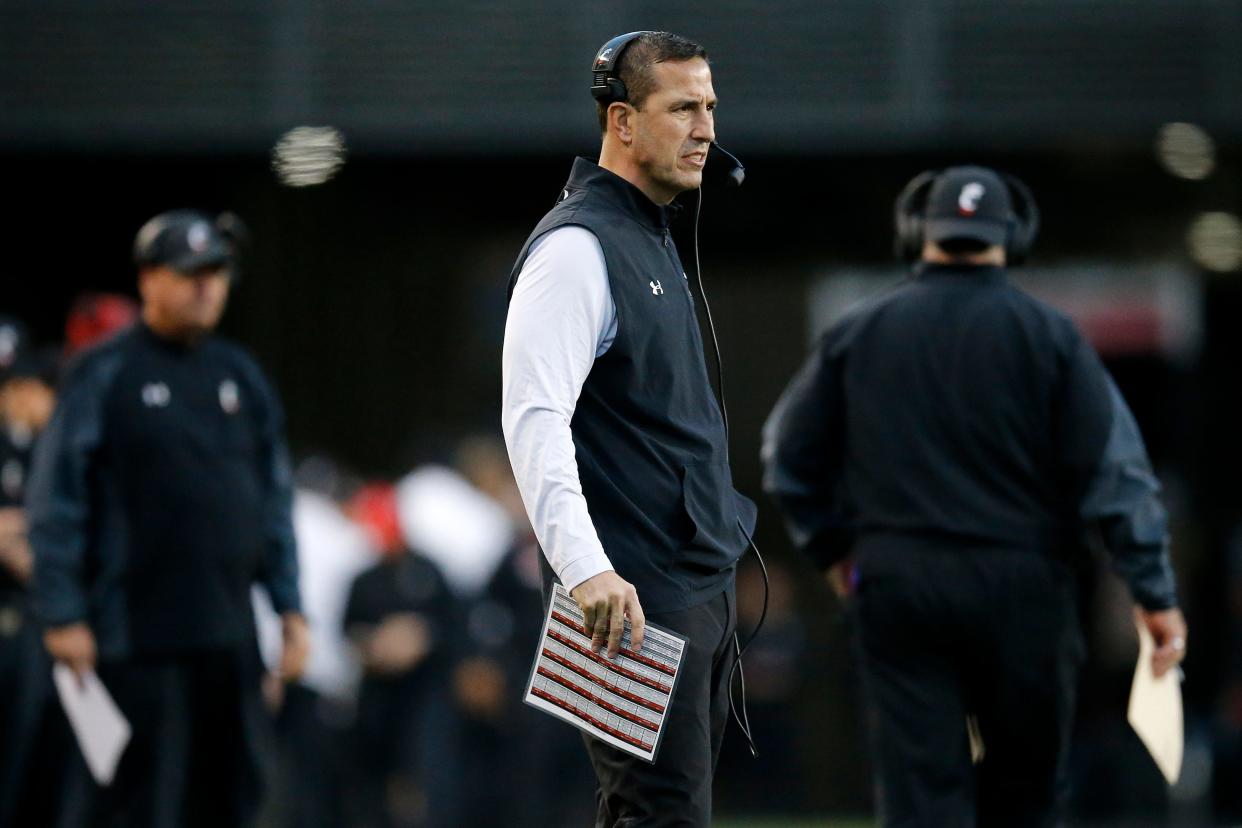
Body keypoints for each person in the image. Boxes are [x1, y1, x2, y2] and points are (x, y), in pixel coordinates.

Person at [762, 165, 1188, 828]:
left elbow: (788, 456)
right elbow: (1118, 476)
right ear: (1012, 235)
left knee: (919, 798)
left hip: (901, 582)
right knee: (1025, 799)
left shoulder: (859, 333)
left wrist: (835, 552)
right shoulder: (1052, 337)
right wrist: (1153, 592)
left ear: (918, 230)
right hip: (1025, 586)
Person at [501, 30, 756, 827]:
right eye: (682, 108)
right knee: (654, 815)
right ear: (621, 121)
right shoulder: (577, 246)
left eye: (710, 107)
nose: (706, 128)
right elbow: (533, 417)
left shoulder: (645, 232)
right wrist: (584, 573)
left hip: (688, 586)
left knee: (667, 815)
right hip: (621, 597)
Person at [27, 208, 309, 828]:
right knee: (139, 801)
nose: (206, 285)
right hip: (135, 633)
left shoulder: (240, 374)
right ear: (149, 279)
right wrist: (63, 610)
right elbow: (57, 498)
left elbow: (272, 500)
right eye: (189, 273)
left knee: (234, 795)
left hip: (229, 631)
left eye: (215, 272)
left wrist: (289, 605)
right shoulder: (104, 372)